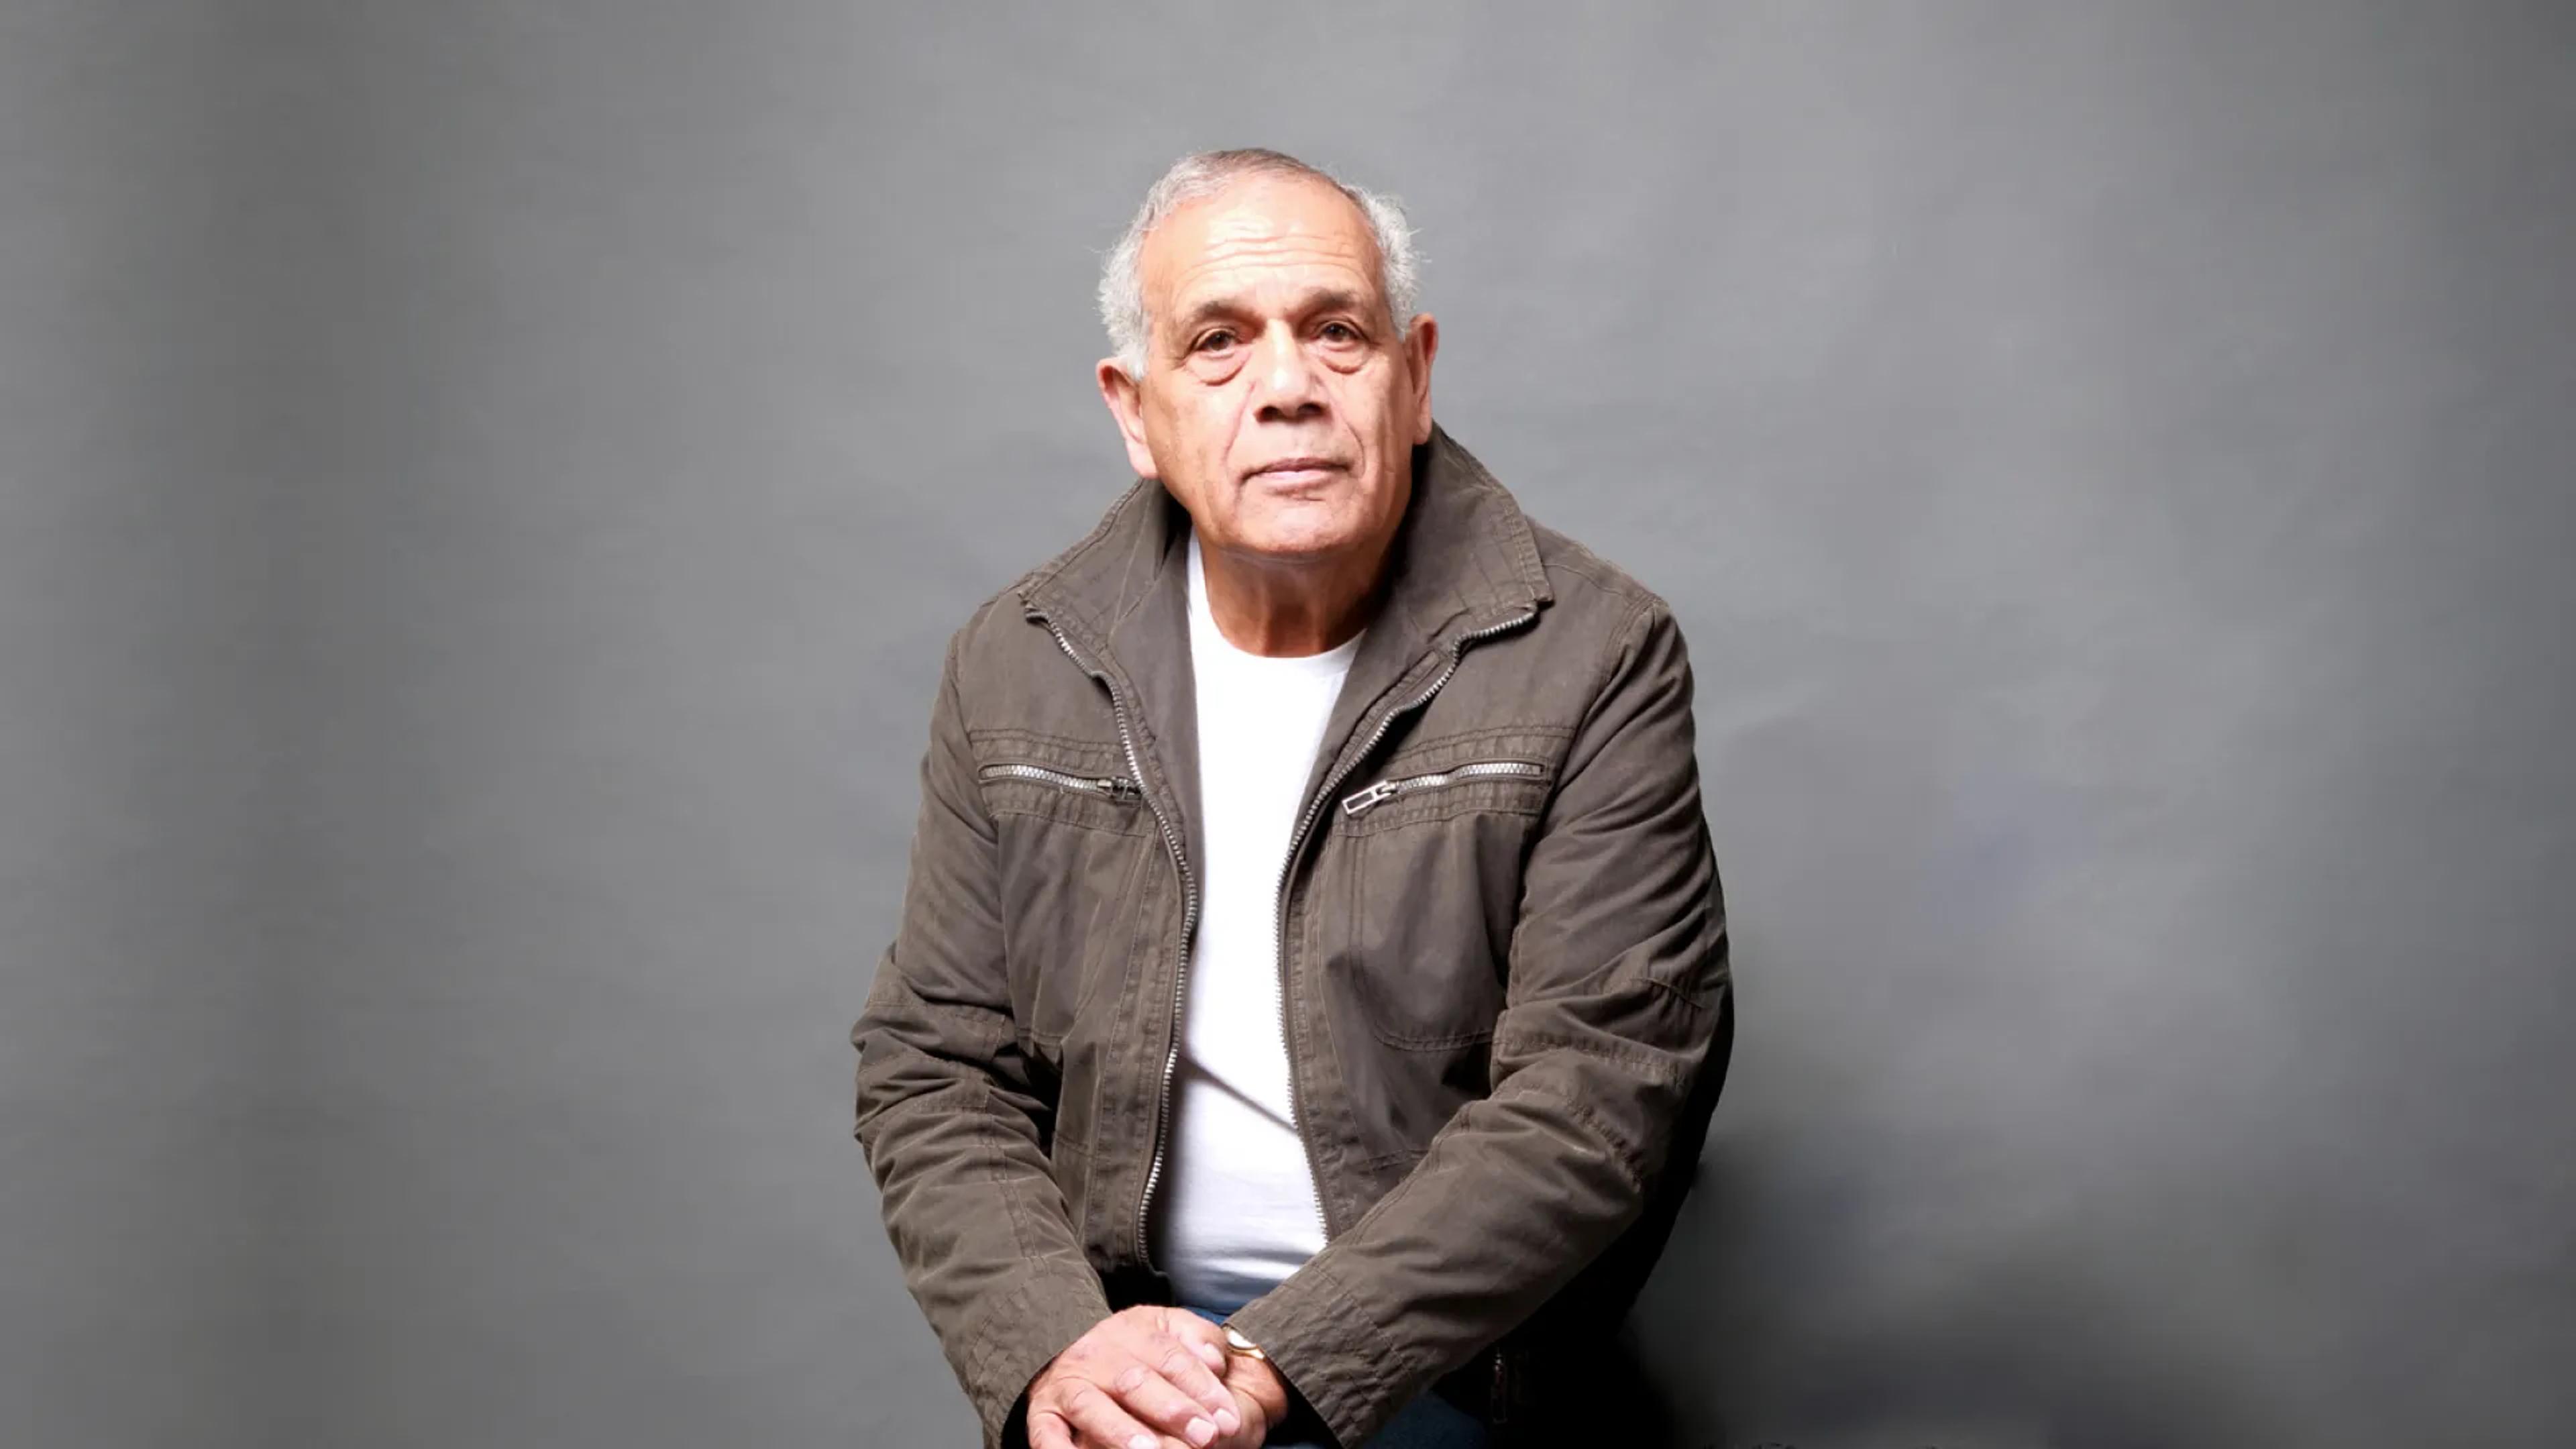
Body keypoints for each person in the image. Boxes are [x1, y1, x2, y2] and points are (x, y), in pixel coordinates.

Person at [852, 148, 1732, 1449]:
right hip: (1123, 1342)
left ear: (1415, 376)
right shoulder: (1018, 664)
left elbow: (1602, 1092)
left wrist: (1271, 1371)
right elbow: (935, 1068)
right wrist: (1056, 1346)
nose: (1285, 389)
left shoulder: (1595, 652)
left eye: (1336, 333)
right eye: (1218, 343)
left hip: (1445, 1374)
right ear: (1135, 413)